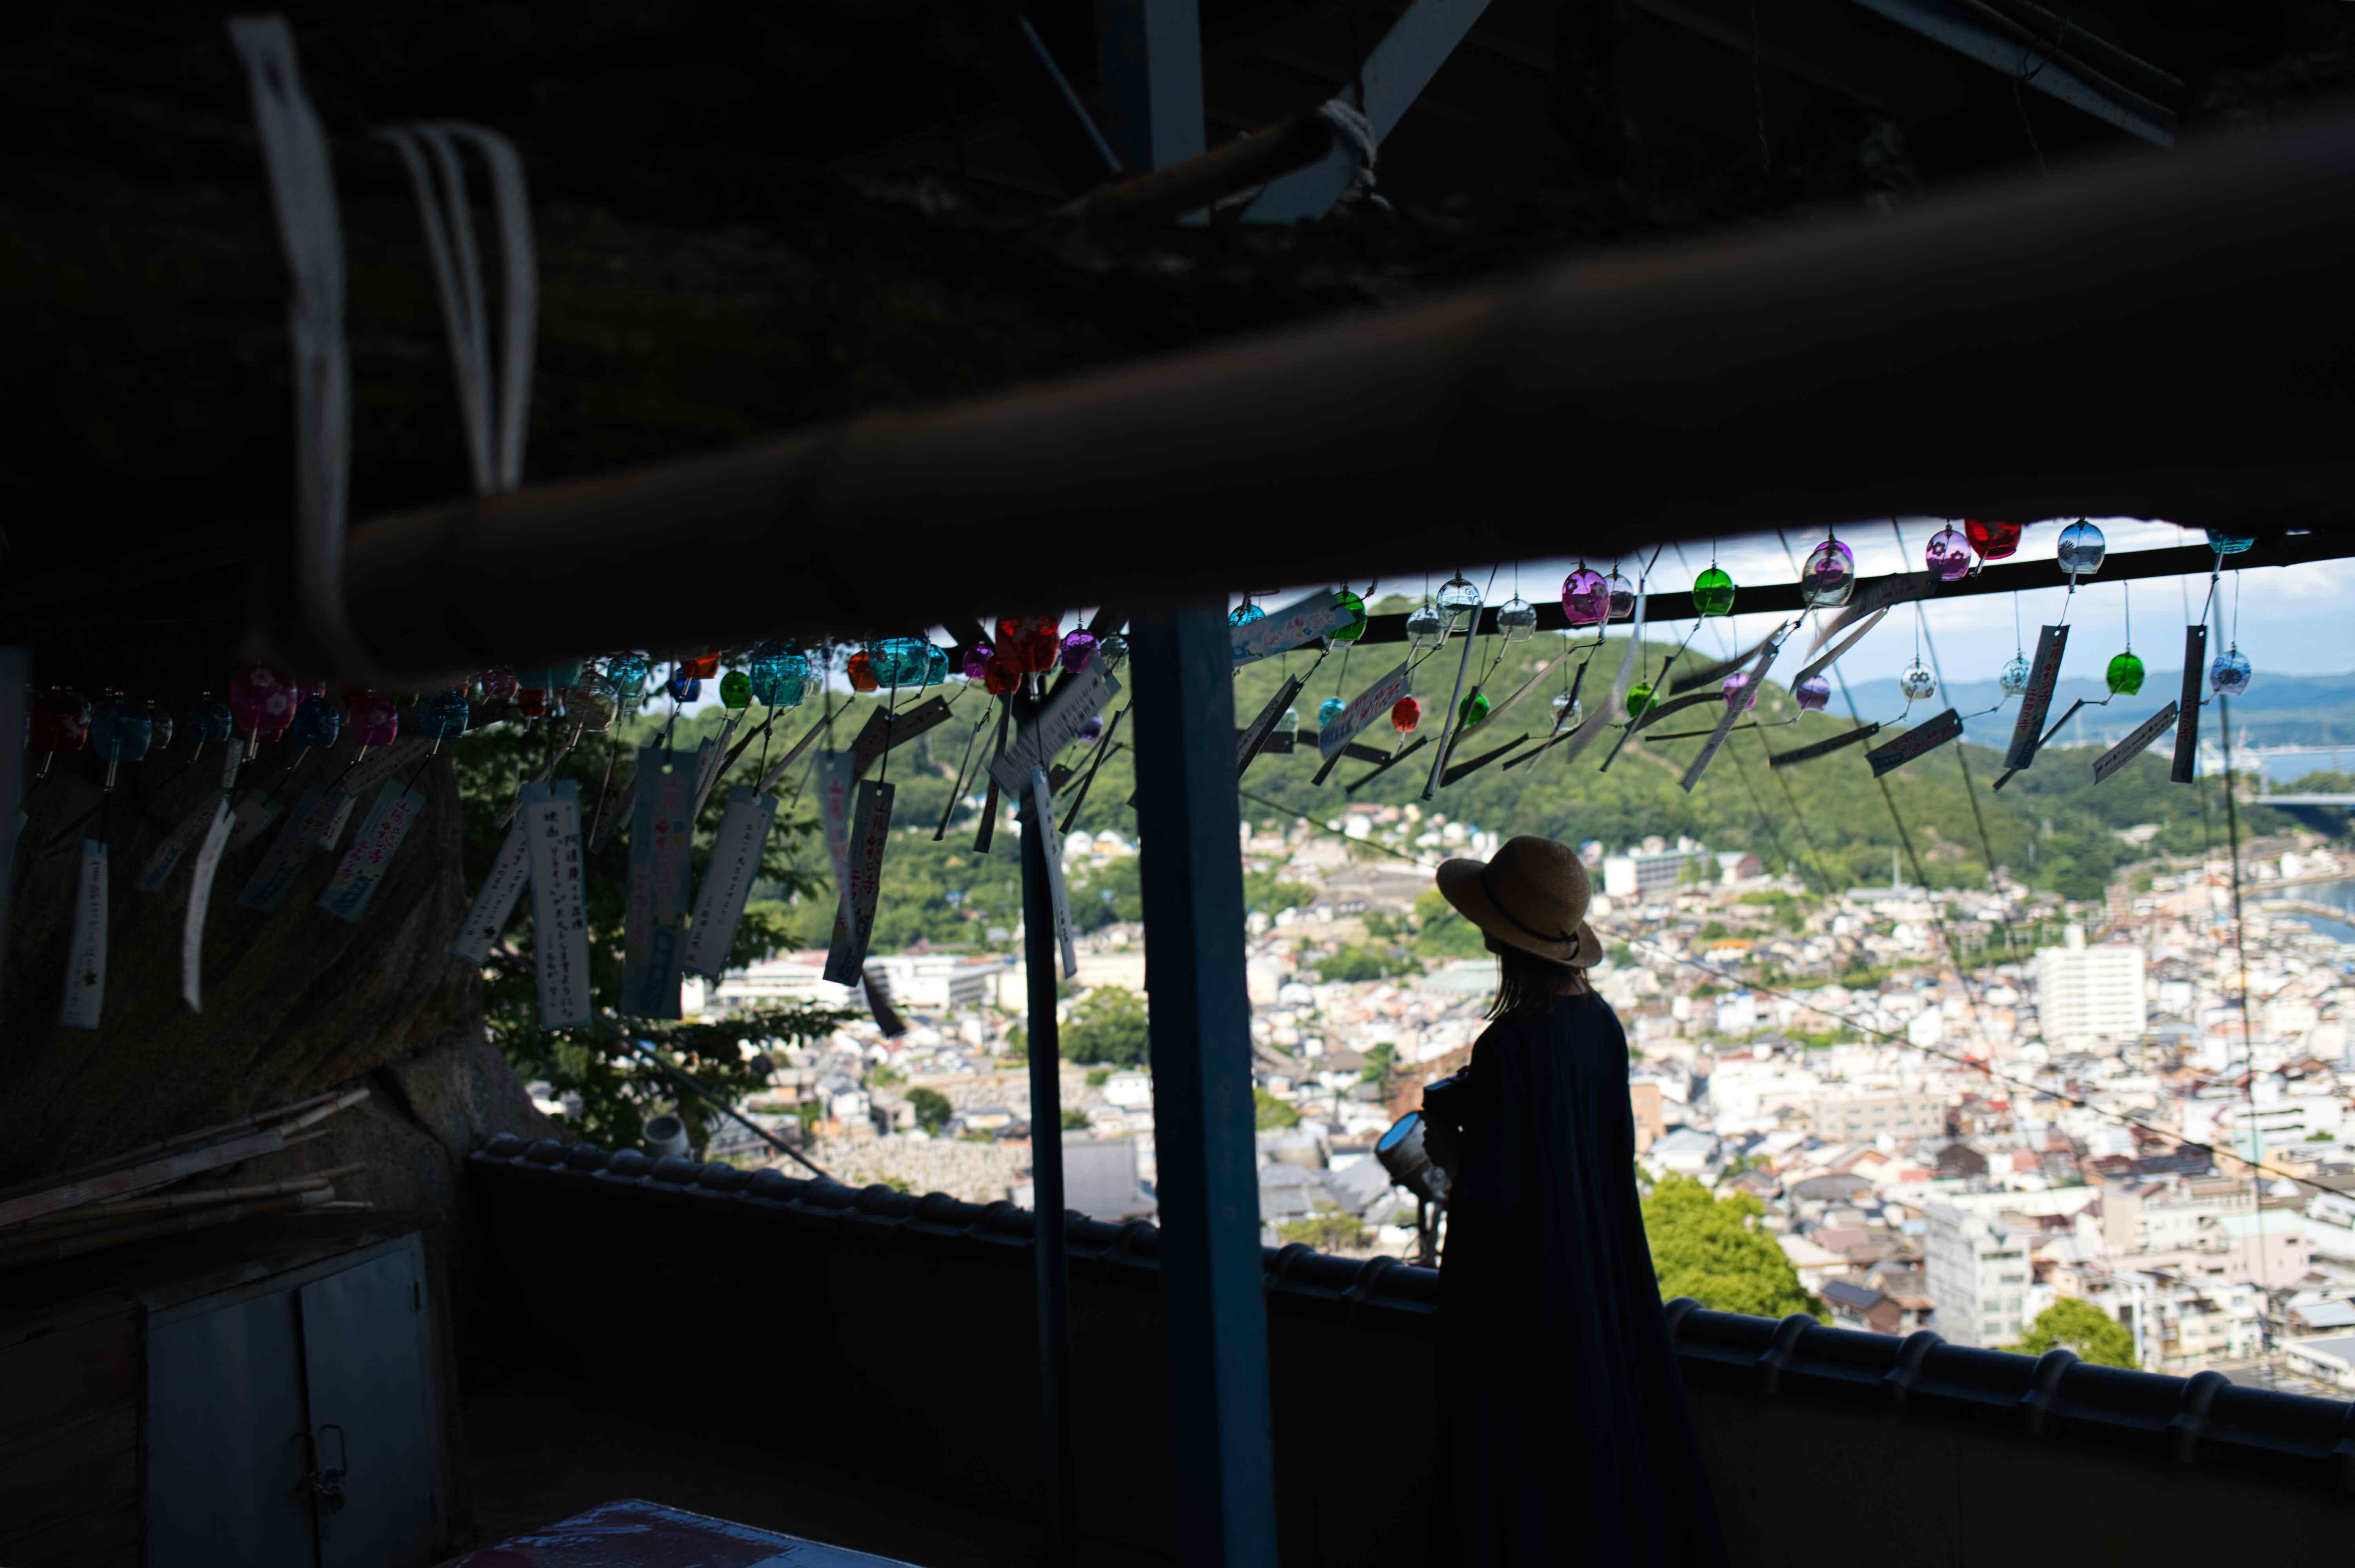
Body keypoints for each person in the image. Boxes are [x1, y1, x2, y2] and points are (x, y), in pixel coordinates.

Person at [1422, 835, 1727, 1567]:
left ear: (1499, 935)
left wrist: (1448, 1151)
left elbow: (1493, 1199)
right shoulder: (1601, 1024)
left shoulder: (1508, 1044)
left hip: (1529, 1301)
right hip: (1602, 1275)